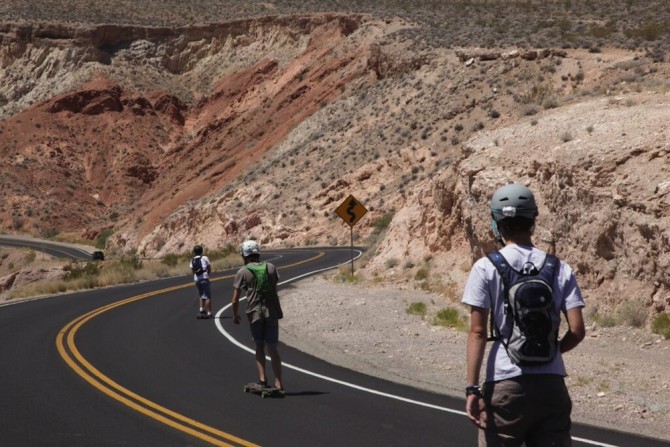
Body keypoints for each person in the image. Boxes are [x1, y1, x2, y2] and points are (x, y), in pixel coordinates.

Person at [462, 183, 586, 446]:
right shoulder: (560, 268)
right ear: (533, 220)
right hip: (551, 385)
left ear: (496, 222)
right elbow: (577, 330)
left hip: (506, 385)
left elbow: (478, 332)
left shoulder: (485, 268)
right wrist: (550, 350)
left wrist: (472, 388)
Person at [231, 240, 284, 391]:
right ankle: (279, 383)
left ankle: (262, 380)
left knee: (259, 346)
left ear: (244, 255)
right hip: (272, 312)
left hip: (255, 314)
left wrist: (235, 315)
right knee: (272, 347)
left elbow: (235, 299)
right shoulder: (271, 267)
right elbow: (274, 290)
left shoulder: (243, 271)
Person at [190, 244, 212, 319]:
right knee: (207, 296)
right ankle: (209, 312)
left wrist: (197, 276)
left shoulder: (192, 260)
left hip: (197, 279)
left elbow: (193, 271)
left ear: (194, 252)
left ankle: (201, 310)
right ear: (201, 251)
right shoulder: (205, 258)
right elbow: (209, 268)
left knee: (201, 294)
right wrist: (206, 275)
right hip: (204, 278)